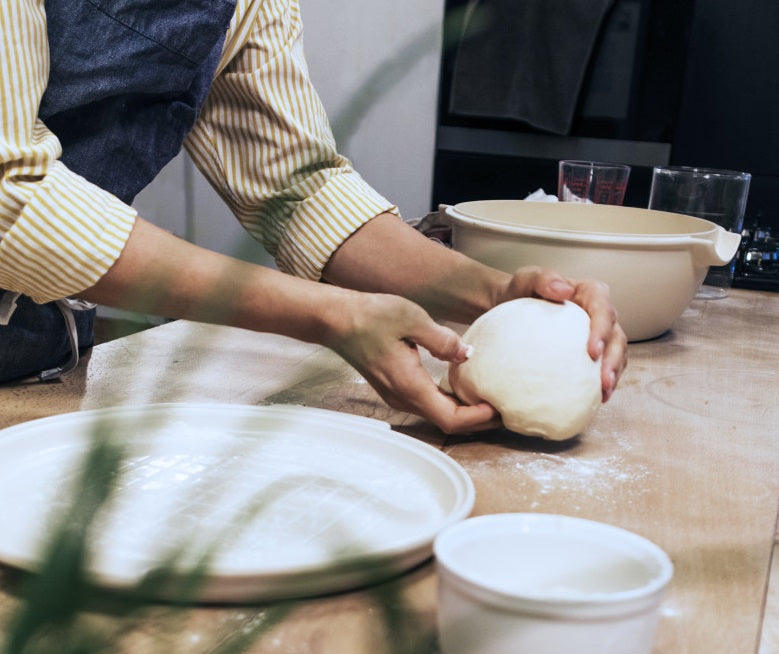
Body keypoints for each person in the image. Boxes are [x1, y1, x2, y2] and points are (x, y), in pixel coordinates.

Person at [0, 0, 626, 434]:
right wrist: (328, 315)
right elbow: (9, 193)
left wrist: (497, 297)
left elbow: (298, 188)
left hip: (35, 355)